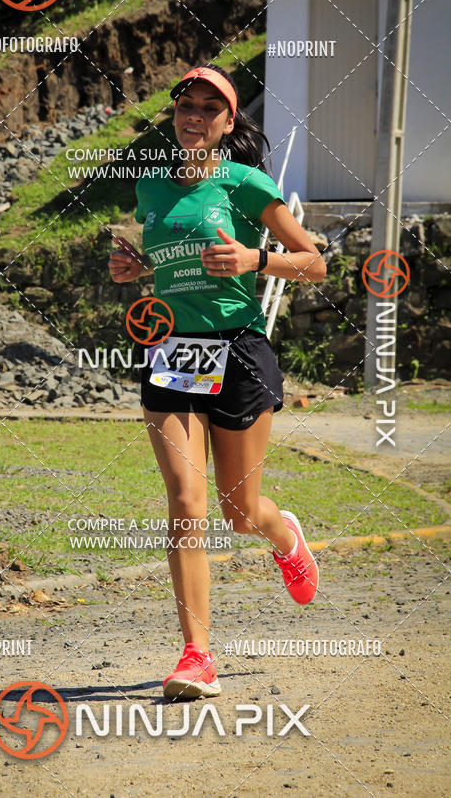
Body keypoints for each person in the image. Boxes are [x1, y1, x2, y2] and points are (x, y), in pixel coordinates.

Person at [108, 63, 327, 700]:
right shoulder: (151, 188)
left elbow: (315, 262)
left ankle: (283, 533)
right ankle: (196, 655)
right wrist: (133, 268)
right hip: (173, 353)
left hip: (238, 351)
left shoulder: (245, 182)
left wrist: (256, 258)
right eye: (187, 106)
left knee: (239, 513)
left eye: (211, 108)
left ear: (230, 122)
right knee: (185, 504)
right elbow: (163, 262)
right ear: (174, 116)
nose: (196, 116)